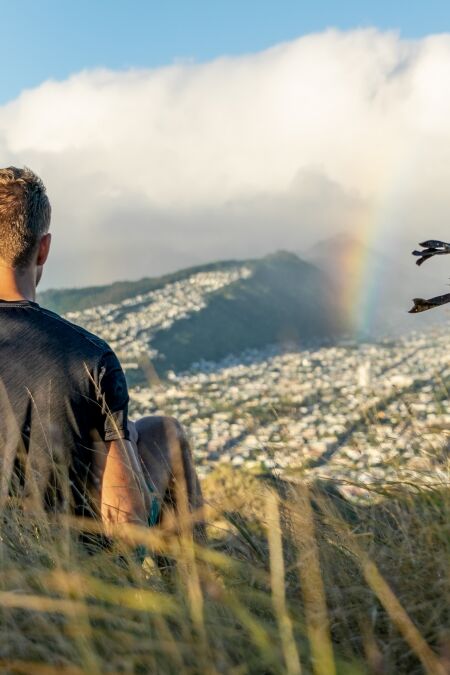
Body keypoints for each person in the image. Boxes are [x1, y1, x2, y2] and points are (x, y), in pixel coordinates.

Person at [0, 166, 203, 547]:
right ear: (43, 248)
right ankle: (192, 596)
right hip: (75, 573)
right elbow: (125, 518)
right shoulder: (88, 357)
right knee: (163, 432)